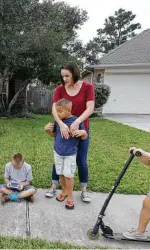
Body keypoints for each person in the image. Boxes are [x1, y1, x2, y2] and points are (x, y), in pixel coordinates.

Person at [45, 61, 95, 203]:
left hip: (81, 128)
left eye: (67, 76)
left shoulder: (87, 87)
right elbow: (54, 109)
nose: (64, 79)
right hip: (64, 128)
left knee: (81, 160)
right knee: (60, 155)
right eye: (63, 76)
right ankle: (54, 186)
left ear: (75, 73)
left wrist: (77, 122)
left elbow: (90, 108)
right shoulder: (60, 89)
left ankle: (83, 191)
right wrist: (60, 124)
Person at [44, 98, 87, 209]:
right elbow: (54, 135)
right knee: (61, 174)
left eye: (60, 111)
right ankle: (64, 192)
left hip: (70, 154)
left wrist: (81, 132)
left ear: (68, 110)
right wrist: (47, 130)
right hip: (58, 152)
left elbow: (84, 136)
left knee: (68, 176)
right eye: (57, 111)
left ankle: (70, 198)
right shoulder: (58, 122)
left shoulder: (77, 121)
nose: (57, 114)